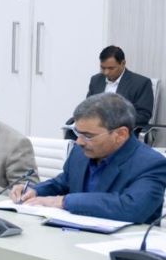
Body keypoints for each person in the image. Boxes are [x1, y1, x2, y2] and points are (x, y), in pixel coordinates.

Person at [10, 93, 166, 224]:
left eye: (88, 135)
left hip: (124, 246)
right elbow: (62, 183)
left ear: (120, 134)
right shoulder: (80, 152)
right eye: (77, 133)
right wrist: (35, 191)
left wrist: (63, 202)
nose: (79, 141)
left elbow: (131, 208)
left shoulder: (151, 164)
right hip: (71, 236)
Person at [86, 45, 154, 130]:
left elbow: (143, 115)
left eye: (111, 68)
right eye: (103, 68)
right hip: (95, 128)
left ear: (123, 63)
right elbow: (87, 107)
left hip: (121, 130)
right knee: (73, 132)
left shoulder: (141, 83)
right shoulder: (96, 80)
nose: (106, 72)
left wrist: (114, 121)